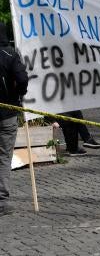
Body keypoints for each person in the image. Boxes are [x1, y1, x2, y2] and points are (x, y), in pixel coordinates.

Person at [0, 22, 28, 216]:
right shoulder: (10, 54)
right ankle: (1, 201)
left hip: (7, 112)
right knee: (3, 157)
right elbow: (23, 79)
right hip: (7, 113)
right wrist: (18, 94)